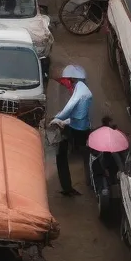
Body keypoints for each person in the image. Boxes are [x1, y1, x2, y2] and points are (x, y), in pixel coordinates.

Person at [51, 64, 93, 196]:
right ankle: (89, 180)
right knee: (86, 154)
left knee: (61, 156)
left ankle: (67, 187)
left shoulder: (80, 92)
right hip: (82, 126)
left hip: (76, 128)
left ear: (72, 79)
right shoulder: (83, 88)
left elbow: (69, 108)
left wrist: (57, 118)